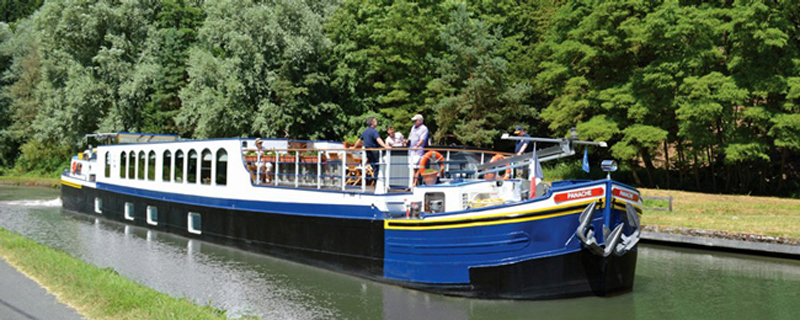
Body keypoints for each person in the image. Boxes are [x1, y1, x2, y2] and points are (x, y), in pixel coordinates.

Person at [352, 117, 391, 181]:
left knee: (374, 167)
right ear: (372, 123)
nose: (377, 122)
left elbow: (359, 140)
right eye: (376, 121)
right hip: (374, 152)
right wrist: (385, 146)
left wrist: (354, 147)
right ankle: (378, 182)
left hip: (368, 152)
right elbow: (378, 139)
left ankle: (377, 182)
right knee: (377, 167)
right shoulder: (374, 131)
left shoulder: (365, 131)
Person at [408, 114, 429, 181]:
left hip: (418, 151)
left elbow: (422, 140)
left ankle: (414, 183)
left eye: (415, 121)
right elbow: (410, 138)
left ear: (420, 121)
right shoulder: (413, 127)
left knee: (416, 168)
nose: (414, 122)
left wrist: (416, 146)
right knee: (411, 168)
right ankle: (411, 183)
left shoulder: (424, 129)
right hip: (411, 151)